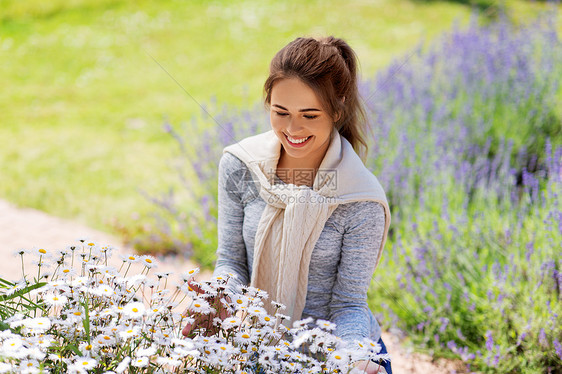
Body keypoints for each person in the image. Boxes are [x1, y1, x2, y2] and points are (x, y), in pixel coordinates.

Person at [183, 36, 392, 374]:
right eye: (281, 112)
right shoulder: (241, 165)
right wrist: (219, 294)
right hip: (253, 345)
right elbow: (232, 262)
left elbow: (349, 303)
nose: (293, 129)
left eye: (309, 115)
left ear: (337, 110)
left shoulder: (360, 198)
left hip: (331, 353)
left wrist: (354, 357)